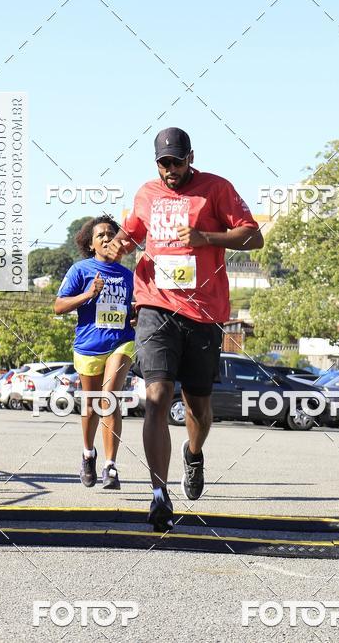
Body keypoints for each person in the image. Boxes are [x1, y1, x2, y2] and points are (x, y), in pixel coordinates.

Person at [107, 128, 263, 531]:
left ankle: (193, 454)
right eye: (164, 163)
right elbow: (133, 231)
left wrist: (205, 236)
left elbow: (254, 236)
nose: (171, 169)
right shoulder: (145, 193)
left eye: (177, 161)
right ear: (155, 162)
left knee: (198, 408)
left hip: (204, 313)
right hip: (155, 306)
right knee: (157, 397)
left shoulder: (216, 189)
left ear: (191, 157)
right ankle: (158, 494)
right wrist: (123, 244)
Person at [55, 216, 135, 490]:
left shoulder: (128, 275)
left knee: (109, 398)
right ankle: (88, 454)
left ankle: (110, 467)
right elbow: (59, 306)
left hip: (121, 342)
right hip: (88, 346)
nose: (105, 238)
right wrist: (88, 294)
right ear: (90, 243)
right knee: (90, 405)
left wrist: (137, 316)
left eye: (110, 234)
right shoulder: (80, 270)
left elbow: (135, 309)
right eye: (100, 234)